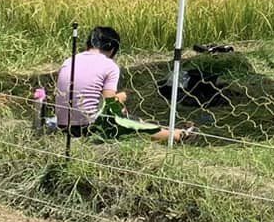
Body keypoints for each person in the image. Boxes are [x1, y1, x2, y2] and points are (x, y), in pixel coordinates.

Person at [51, 26, 192, 143]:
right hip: (89, 127)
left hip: (63, 125)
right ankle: (175, 135)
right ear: (113, 49)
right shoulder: (109, 66)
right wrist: (121, 98)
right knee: (134, 125)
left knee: (128, 119)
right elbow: (109, 104)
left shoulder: (69, 60)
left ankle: (171, 131)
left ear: (88, 44)